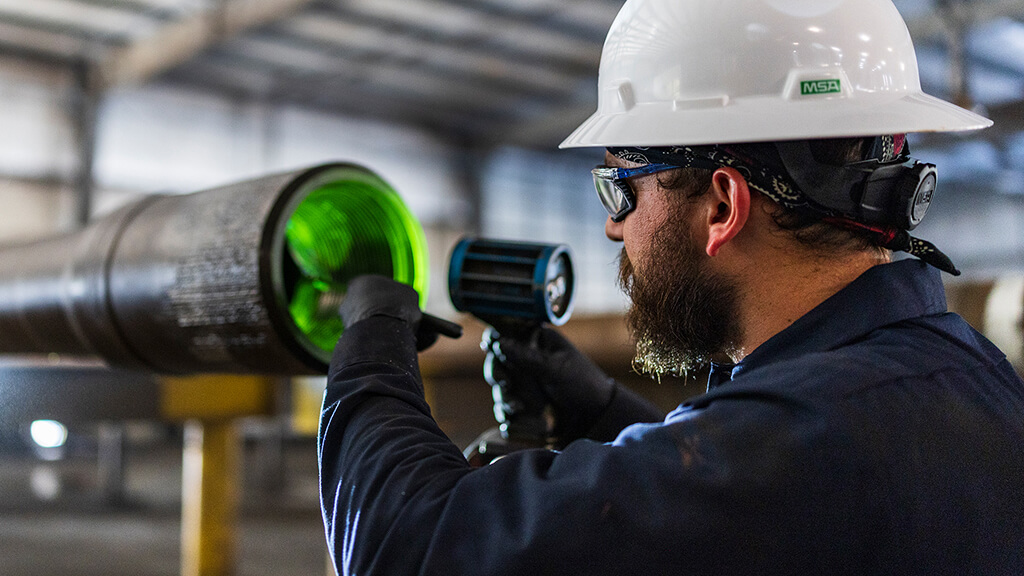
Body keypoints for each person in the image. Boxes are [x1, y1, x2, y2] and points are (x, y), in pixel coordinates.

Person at [318, 0, 1024, 574]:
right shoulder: (967, 373)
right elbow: (741, 505)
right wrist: (603, 415)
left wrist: (369, 349)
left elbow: (402, 548)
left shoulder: (798, 445)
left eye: (619, 188)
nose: (612, 229)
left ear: (721, 205)